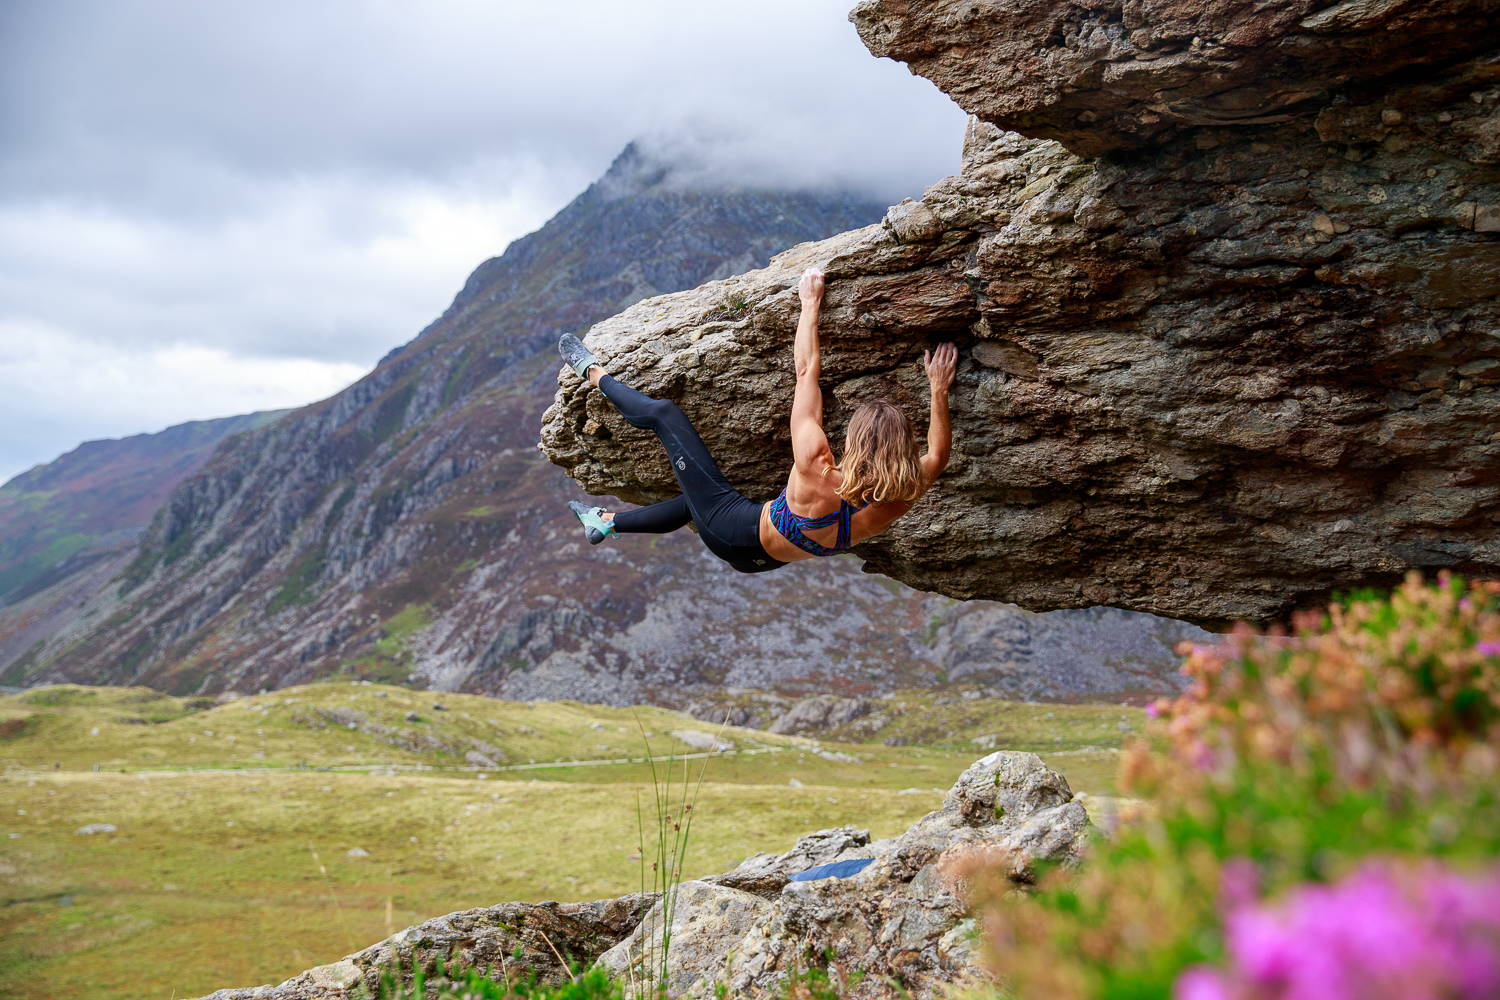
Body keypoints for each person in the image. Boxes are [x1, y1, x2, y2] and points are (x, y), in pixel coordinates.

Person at [558, 267, 956, 574]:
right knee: (692, 499)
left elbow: (806, 372)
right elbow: (938, 452)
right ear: (903, 450)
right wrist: (938, 390)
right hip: (760, 562)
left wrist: (810, 304)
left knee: (665, 414)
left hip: (732, 529)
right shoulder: (903, 494)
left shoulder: (817, 464)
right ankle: (606, 523)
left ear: (856, 440)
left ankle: (591, 372)